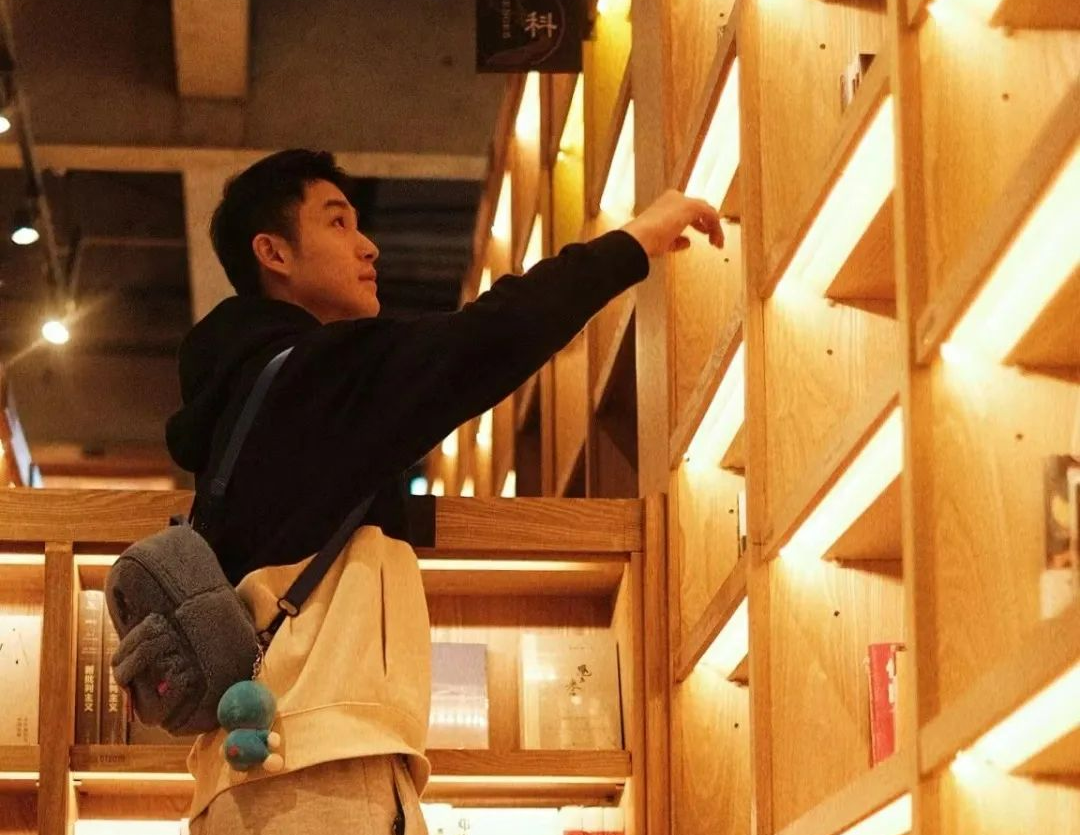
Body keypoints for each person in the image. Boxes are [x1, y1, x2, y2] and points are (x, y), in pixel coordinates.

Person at [167, 148, 723, 835]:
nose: (368, 246)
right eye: (337, 222)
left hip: (255, 774)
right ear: (273, 252)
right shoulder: (318, 376)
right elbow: (494, 334)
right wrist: (635, 240)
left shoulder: (241, 401)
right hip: (316, 778)